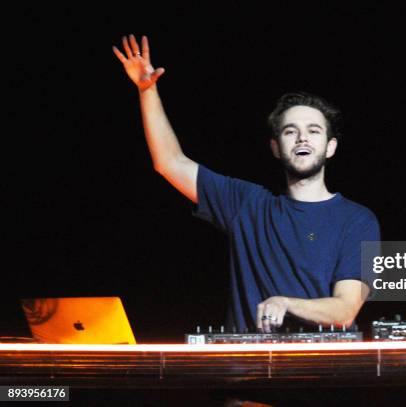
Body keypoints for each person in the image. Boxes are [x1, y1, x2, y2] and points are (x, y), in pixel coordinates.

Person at [113, 34, 380, 333]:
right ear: (276, 147)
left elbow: (344, 309)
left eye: (313, 131)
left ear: (330, 147)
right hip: (248, 371)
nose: (302, 137)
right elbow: (170, 163)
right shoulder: (248, 204)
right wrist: (147, 91)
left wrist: (285, 303)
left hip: (317, 370)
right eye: (291, 131)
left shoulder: (357, 220)